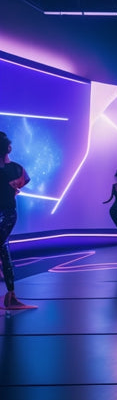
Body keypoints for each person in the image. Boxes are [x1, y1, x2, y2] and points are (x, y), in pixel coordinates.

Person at [0, 131, 35, 309]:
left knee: (4, 250)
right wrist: (14, 187)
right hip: (7, 213)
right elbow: (25, 179)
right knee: (4, 252)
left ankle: (11, 296)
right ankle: (11, 296)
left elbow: (24, 180)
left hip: (6, 214)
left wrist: (13, 188)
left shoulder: (13, 168)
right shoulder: (15, 168)